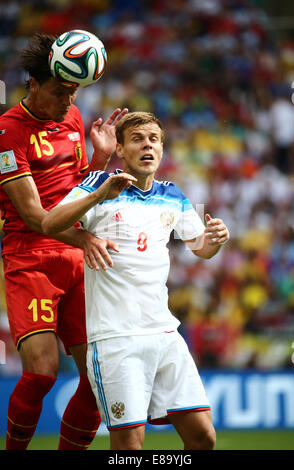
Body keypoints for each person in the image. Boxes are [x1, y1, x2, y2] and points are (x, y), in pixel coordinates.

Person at [42, 111, 230, 450]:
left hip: (164, 333)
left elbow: (200, 248)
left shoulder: (172, 194)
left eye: (154, 140)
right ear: (121, 150)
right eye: (138, 140)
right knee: (129, 446)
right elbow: (49, 222)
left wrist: (213, 240)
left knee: (203, 437)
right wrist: (98, 198)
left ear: (161, 150)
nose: (148, 146)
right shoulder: (97, 184)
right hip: (116, 339)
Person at [0, 33, 128, 450]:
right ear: (33, 84)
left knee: (99, 379)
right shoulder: (7, 132)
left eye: (72, 93)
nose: (67, 102)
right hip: (30, 256)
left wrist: (100, 160)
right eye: (59, 92)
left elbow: (75, 195)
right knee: (40, 373)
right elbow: (37, 218)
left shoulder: (72, 121)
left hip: (75, 253)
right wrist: (89, 224)